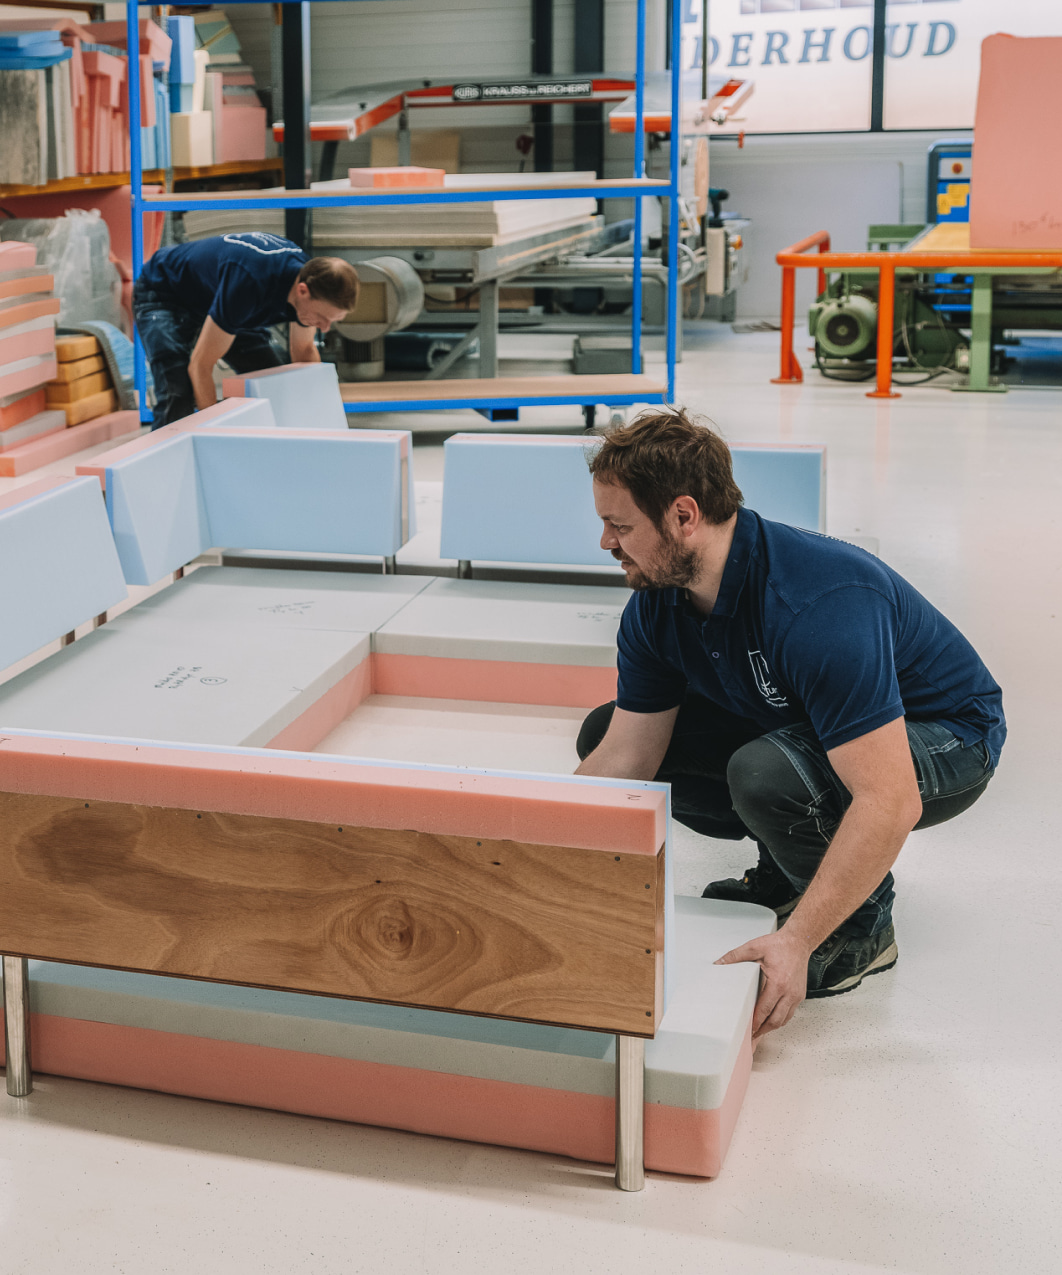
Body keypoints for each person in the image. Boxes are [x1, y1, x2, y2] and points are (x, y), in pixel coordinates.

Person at [576, 409, 1005, 1038]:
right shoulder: (659, 605)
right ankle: (785, 875)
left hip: (948, 736)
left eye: (620, 526)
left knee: (767, 773)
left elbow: (889, 799)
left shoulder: (817, 604)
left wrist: (797, 941)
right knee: (601, 733)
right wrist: (531, 855)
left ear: (684, 516)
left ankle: (862, 928)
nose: (606, 543)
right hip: (815, 726)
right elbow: (627, 757)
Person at [132, 232, 359, 428]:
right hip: (166, 291)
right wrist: (215, 435)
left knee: (271, 382)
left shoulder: (311, 280)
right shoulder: (250, 282)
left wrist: (318, 418)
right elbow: (200, 366)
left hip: (222, 299)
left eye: (332, 321)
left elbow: (304, 350)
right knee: (178, 390)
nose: (324, 327)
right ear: (302, 291)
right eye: (321, 318)